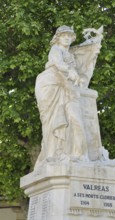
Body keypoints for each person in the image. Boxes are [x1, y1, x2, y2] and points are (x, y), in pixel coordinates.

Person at [34, 26, 87, 168]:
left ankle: (76, 153)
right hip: (51, 86)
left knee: (73, 119)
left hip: (66, 88)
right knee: (51, 120)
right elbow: (58, 64)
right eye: (64, 35)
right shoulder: (55, 50)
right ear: (58, 38)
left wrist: (74, 75)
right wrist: (70, 71)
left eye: (70, 36)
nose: (67, 38)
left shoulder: (70, 54)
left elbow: (73, 71)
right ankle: (52, 153)